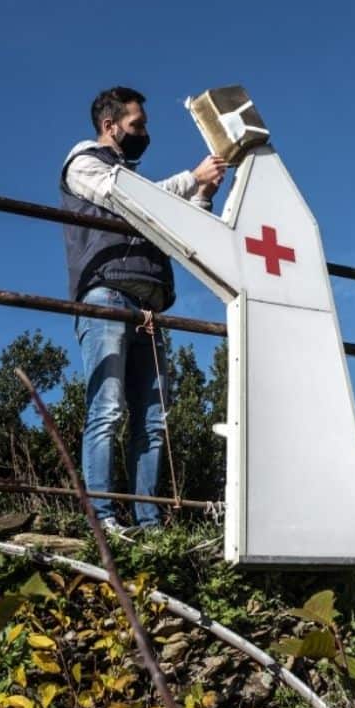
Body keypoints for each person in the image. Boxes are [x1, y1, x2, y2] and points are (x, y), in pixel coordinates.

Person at [60, 86, 226, 537]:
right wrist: (192, 178)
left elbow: (177, 227)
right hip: (107, 296)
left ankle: (148, 523)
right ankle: (104, 518)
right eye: (137, 125)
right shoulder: (84, 163)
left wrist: (203, 194)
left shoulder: (137, 182)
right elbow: (125, 199)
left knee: (154, 421)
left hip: (147, 307)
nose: (144, 133)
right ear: (110, 125)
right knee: (108, 408)